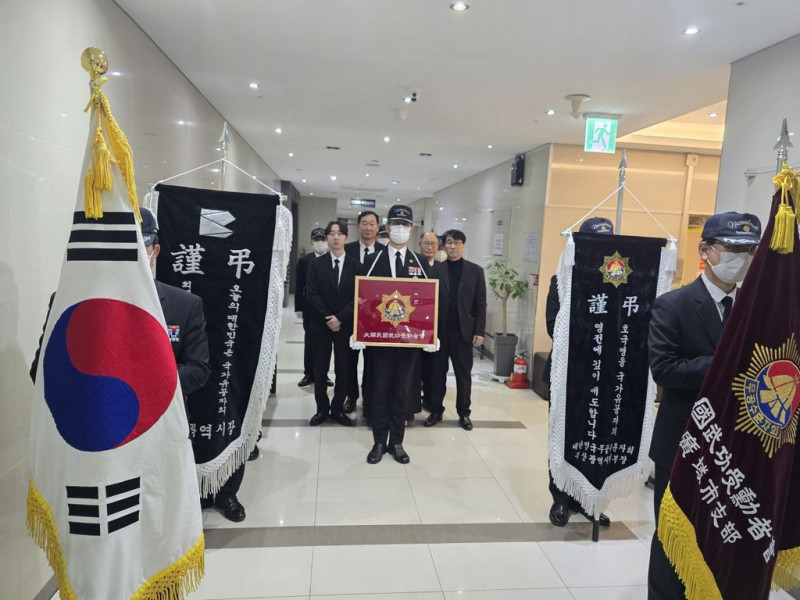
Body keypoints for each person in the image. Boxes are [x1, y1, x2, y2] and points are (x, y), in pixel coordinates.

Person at [647, 211, 761, 600]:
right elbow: (665, 369)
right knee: (673, 535)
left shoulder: (754, 310)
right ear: (705, 250)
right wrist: (727, 362)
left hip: (736, 446)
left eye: (748, 251)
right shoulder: (673, 305)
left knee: (723, 533)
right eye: (731, 249)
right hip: (684, 440)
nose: (740, 259)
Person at [546, 217, 614, 528]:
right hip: (567, 372)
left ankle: (587, 500)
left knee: (595, 438)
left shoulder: (619, 283)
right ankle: (561, 498)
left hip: (603, 375)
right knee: (562, 437)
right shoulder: (562, 279)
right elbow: (553, 326)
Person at [363, 204, 435, 464]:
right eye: (395, 224)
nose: (400, 229)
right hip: (380, 339)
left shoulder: (420, 263)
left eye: (405, 225)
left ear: (411, 229)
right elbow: (363, 298)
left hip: (408, 340)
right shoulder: (372, 260)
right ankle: (378, 442)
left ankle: (397, 442)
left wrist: (431, 332)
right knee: (380, 389)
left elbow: (428, 301)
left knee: (402, 391)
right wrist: (359, 330)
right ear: (387, 227)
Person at [424, 229, 486, 430]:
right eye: (449, 243)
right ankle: (436, 410)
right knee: (436, 375)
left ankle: (464, 413)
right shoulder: (435, 270)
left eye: (457, 243)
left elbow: (481, 303)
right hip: (439, 333)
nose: (453, 246)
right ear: (444, 246)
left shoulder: (476, 271)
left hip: (463, 333)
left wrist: (479, 331)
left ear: (463, 246)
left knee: (463, 375)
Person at [305, 221, 357, 427]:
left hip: (345, 326)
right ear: (327, 237)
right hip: (321, 325)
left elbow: (358, 297)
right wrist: (329, 317)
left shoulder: (356, 266)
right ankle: (321, 409)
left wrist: (340, 318)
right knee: (320, 369)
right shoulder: (315, 264)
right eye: (332, 234)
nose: (336, 237)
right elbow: (312, 294)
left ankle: (337, 409)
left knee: (343, 368)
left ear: (346, 237)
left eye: (340, 233)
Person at [344, 210, 381, 415]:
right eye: (364, 223)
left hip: (375, 318)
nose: (368, 227)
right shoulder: (346, 250)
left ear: (378, 227)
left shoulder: (385, 252)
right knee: (349, 360)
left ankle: (369, 397)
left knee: (373, 361)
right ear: (358, 226)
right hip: (350, 315)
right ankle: (351, 395)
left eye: (372, 224)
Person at [295, 228, 333, 388]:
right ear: (311, 242)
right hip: (310, 309)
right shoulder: (304, 260)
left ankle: (323, 374)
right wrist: (298, 307)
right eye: (317, 240)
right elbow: (299, 285)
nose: (320, 242)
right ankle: (309, 373)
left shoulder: (332, 259)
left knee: (326, 344)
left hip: (328, 309)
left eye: (323, 239)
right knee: (310, 342)